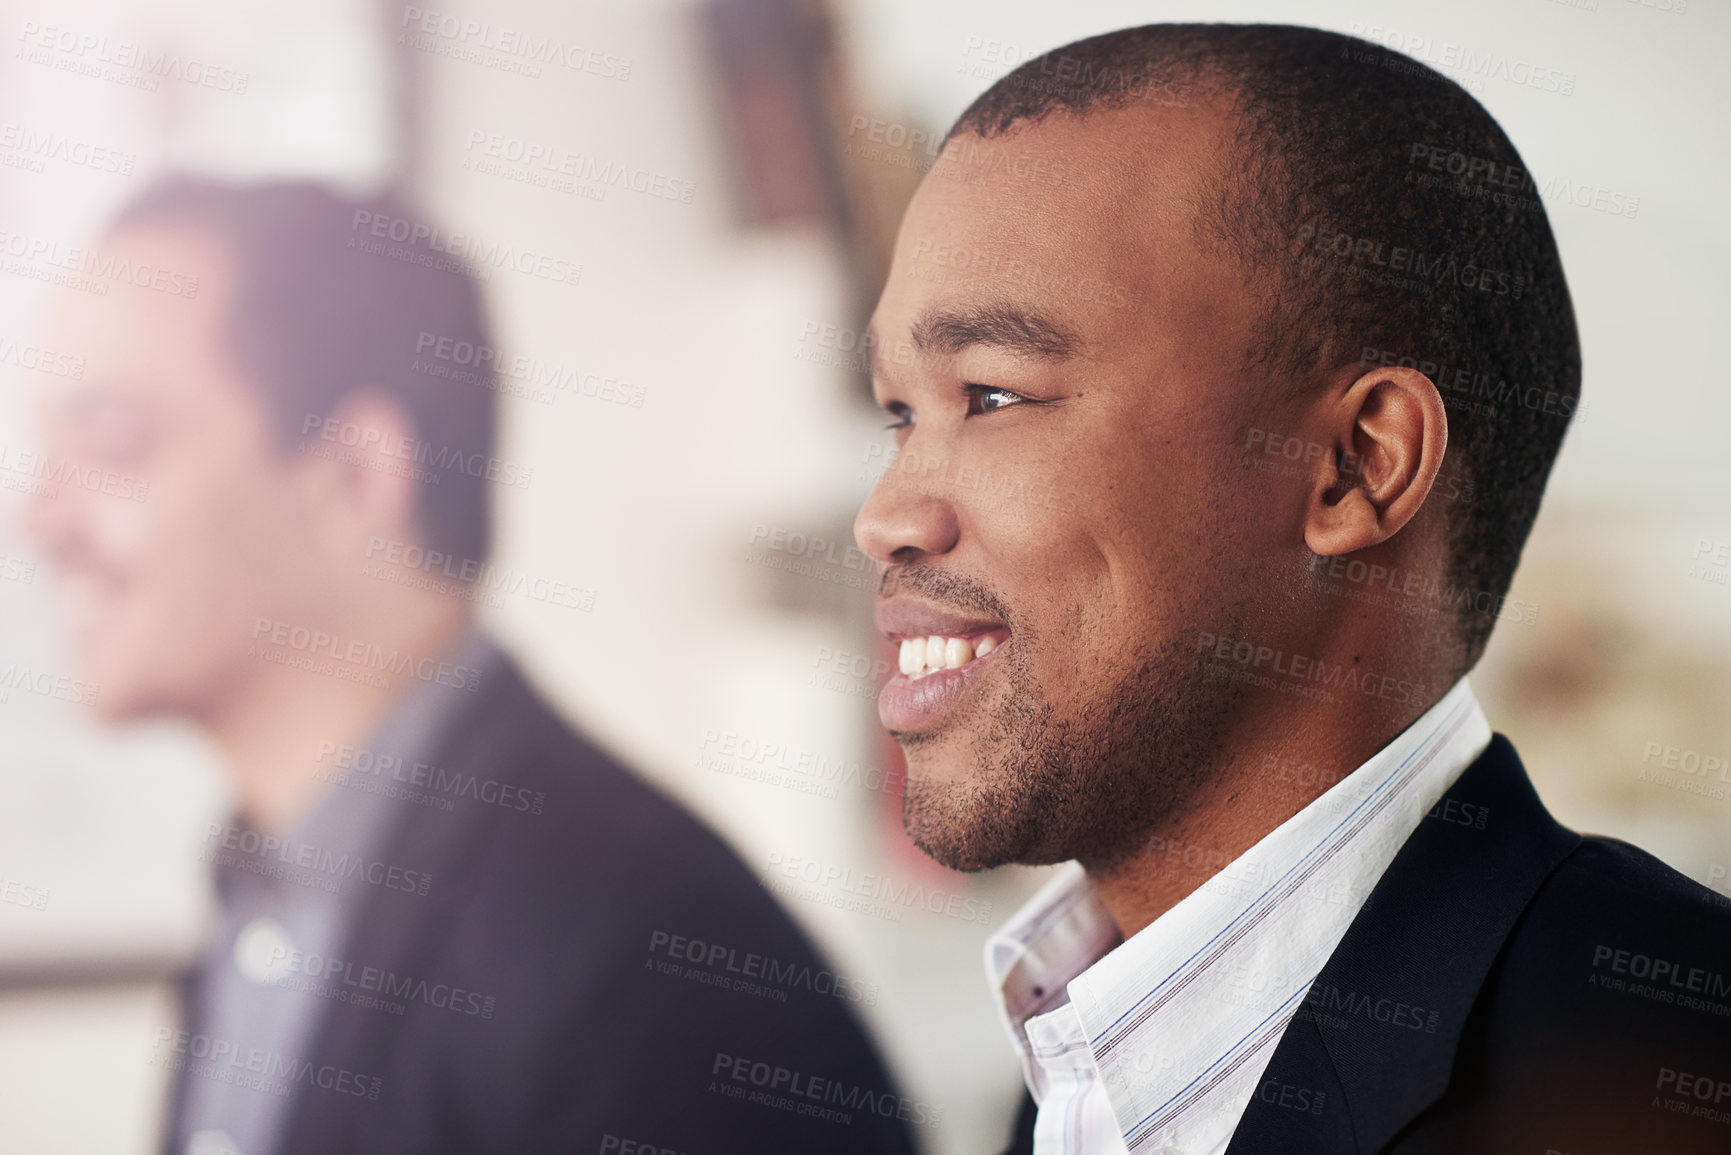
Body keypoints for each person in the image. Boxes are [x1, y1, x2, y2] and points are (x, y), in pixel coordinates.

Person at [852, 23, 1731, 1155]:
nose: (883, 517)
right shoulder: (1081, 1065)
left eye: (994, 395)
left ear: (1358, 464)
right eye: (896, 412)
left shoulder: (1669, 1082)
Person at [24, 178, 913, 1155]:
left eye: (112, 443)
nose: (38, 523)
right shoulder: (265, 894)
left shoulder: (650, 965)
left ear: (355, 477)